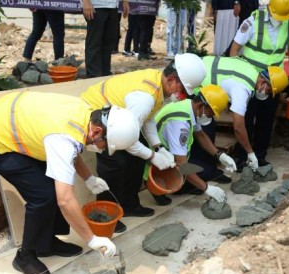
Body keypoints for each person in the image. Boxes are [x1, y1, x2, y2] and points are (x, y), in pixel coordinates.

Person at [0, 91, 140, 274]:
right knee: (43, 195)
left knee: (54, 184)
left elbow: (72, 149)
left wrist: (88, 178)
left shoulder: (86, 114)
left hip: (22, 124)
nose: (102, 149)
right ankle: (24, 257)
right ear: (98, 132)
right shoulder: (62, 139)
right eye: (105, 145)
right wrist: (92, 239)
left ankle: (47, 244)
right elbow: (65, 200)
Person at [80, 53, 207, 233]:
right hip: (99, 119)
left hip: (121, 118)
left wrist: (158, 147)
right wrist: (153, 156)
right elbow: (130, 141)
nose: (182, 96)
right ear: (171, 79)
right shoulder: (144, 97)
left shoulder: (159, 86)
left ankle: (130, 205)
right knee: (115, 165)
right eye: (183, 90)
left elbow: (148, 119)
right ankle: (105, 215)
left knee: (136, 160)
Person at [229, 0, 289, 168]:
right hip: (249, 79)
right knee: (246, 118)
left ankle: (260, 156)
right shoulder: (252, 21)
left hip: (273, 80)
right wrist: (239, 76)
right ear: (269, 9)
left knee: (267, 118)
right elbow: (234, 50)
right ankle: (242, 157)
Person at [144, 85, 237, 206]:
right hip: (158, 164)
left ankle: (191, 183)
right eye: (211, 114)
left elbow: (200, 135)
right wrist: (206, 188)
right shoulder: (180, 123)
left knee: (207, 172)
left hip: (173, 156)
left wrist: (220, 156)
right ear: (201, 106)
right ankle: (155, 186)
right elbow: (182, 165)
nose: (210, 117)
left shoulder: (189, 106)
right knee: (187, 183)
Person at [199, 56, 289, 172]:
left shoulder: (251, 71)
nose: (267, 94)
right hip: (194, 81)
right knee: (203, 129)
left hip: (198, 71)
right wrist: (250, 153)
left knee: (208, 127)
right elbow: (238, 127)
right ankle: (203, 171)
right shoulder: (243, 88)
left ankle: (209, 169)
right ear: (264, 81)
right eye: (269, 91)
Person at [82, 0, 129, 78]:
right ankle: (93, 76)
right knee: (94, 42)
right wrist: (86, 1)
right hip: (95, 6)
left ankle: (105, 74)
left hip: (113, 6)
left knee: (109, 41)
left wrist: (125, 1)